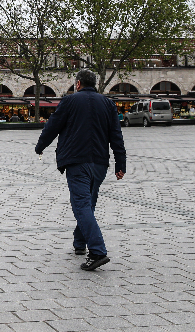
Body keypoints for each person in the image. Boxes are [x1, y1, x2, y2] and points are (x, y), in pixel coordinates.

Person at [34, 69, 126, 271]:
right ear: (95, 83)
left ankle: (98, 251)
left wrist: (40, 146)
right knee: (88, 203)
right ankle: (79, 243)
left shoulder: (69, 101)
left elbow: (52, 126)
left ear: (77, 84)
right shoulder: (108, 104)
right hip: (100, 164)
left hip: (77, 162)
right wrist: (121, 164)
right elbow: (116, 136)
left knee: (81, 205)